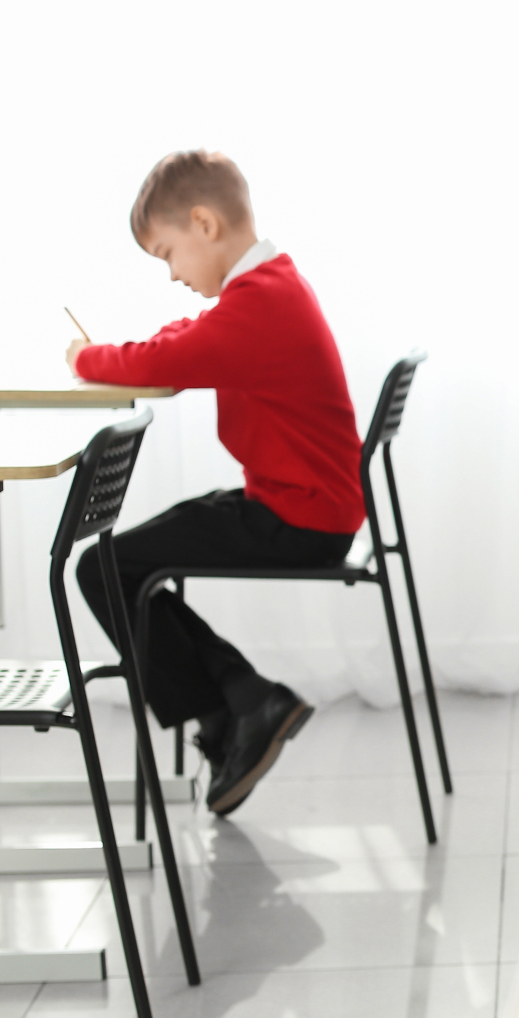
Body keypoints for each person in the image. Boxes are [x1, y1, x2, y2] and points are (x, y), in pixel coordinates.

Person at [66, 150, 364, 816]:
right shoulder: (269, 288)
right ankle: (239, 704)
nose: (173, 274)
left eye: (168, 254)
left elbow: (164, 359)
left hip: (299, 519)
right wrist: (150, 345)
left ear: (203, 223)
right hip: (302, 506)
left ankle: (237, 707)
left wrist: (84, 357)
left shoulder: (259, 304)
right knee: (123, 563)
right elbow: (192, 337)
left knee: (102, 569)